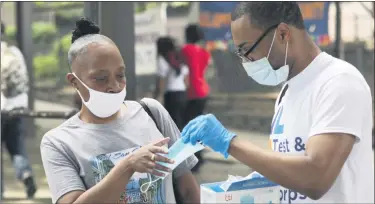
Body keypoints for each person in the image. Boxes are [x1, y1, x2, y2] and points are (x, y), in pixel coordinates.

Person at [181, 2, 374, 204]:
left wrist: (230, 143)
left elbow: (316, 178)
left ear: (282, 33)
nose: (247, 60)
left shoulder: (338, 82)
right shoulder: (288, 91)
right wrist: (245, 187)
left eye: (247, 49)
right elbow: (286, 167)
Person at [40, 18, 200, 204]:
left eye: (120, 75)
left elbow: (187, 189)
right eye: (101, 78)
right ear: (74, 82)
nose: (114, 86)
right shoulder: (58, 142)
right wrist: (127, 166)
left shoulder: (151, 112)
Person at [1, 21, 37, 199]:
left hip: (1, 107)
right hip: (17, 108)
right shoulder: (13, 51)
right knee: (16, 146)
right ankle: (25, 174)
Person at [181, 24, 211, 172]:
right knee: (198, 126)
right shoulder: (204, 52)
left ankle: (194, 158)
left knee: (188, 127)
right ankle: (200, 157)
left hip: (190, 92)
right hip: (202, 91)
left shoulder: (185, 50)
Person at [154, 37, 189, 130]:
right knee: (181, 121)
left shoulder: (162, 59)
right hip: (182, 93)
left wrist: (159, 94)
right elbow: (186, 78)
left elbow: (161, 79)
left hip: (171, 94)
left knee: (172, 123)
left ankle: (177, 142)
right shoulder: (179, 58)